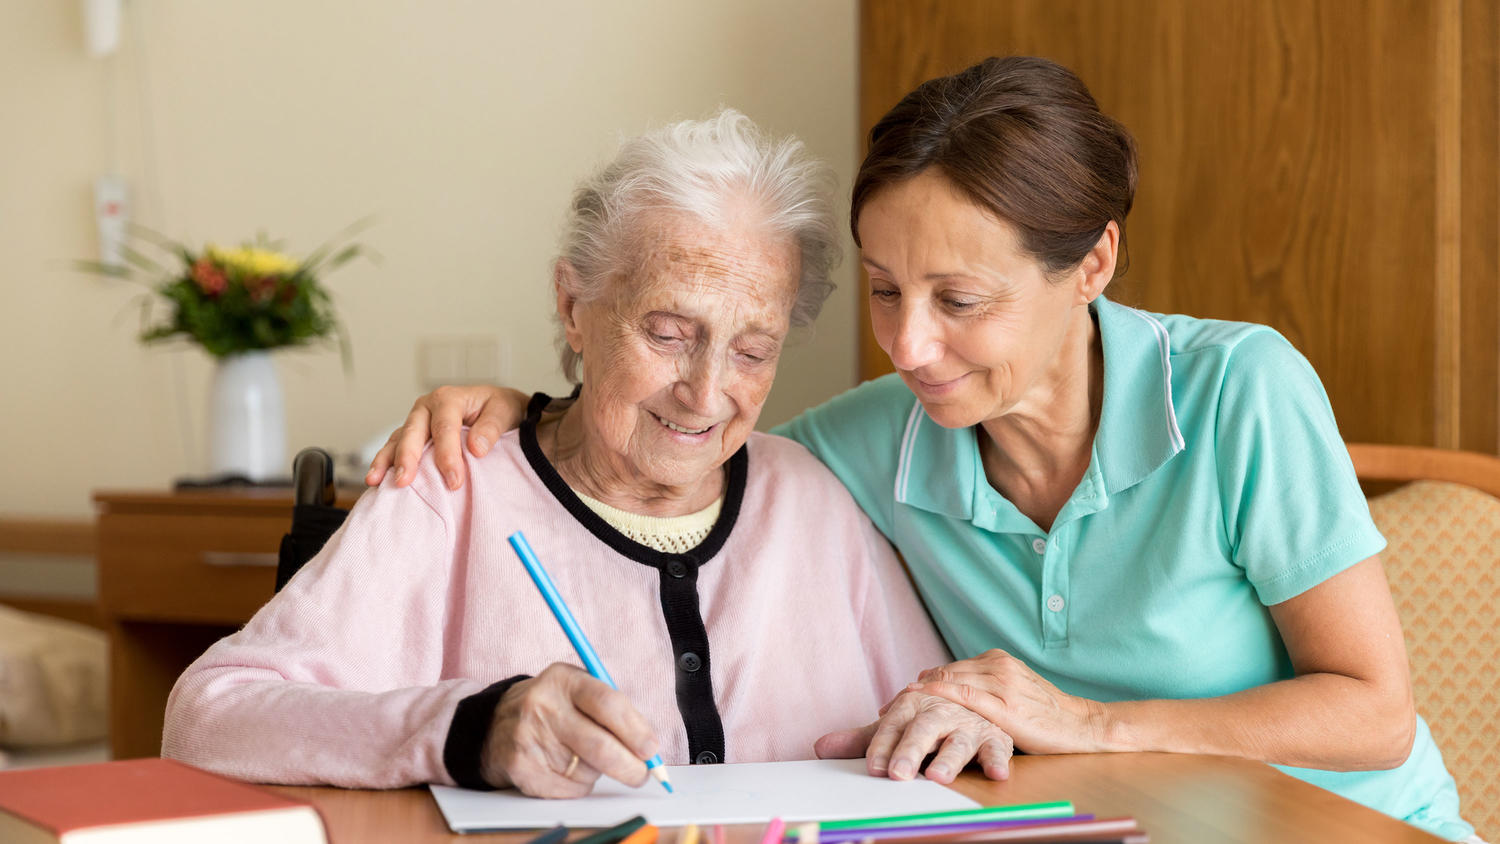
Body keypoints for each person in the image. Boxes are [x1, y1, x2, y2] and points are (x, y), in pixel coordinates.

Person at [369, 58, 1478, 840]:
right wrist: (536, 403)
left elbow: (1373, 714)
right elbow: (684, 449)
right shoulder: (874, 438)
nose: (910, 344)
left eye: (959, 299)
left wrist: (1082, 720)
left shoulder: (1243, 391)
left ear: (1092, 263)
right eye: (889, 291)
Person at [161, 109, 953, 798]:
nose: (706, 393)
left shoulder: (812, 500)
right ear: (575, 309)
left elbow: (942, 708)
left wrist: (952, 722)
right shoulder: (451, 483)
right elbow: (207, 718)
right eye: (669, 335)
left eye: (753, 351)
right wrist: (469, 729)